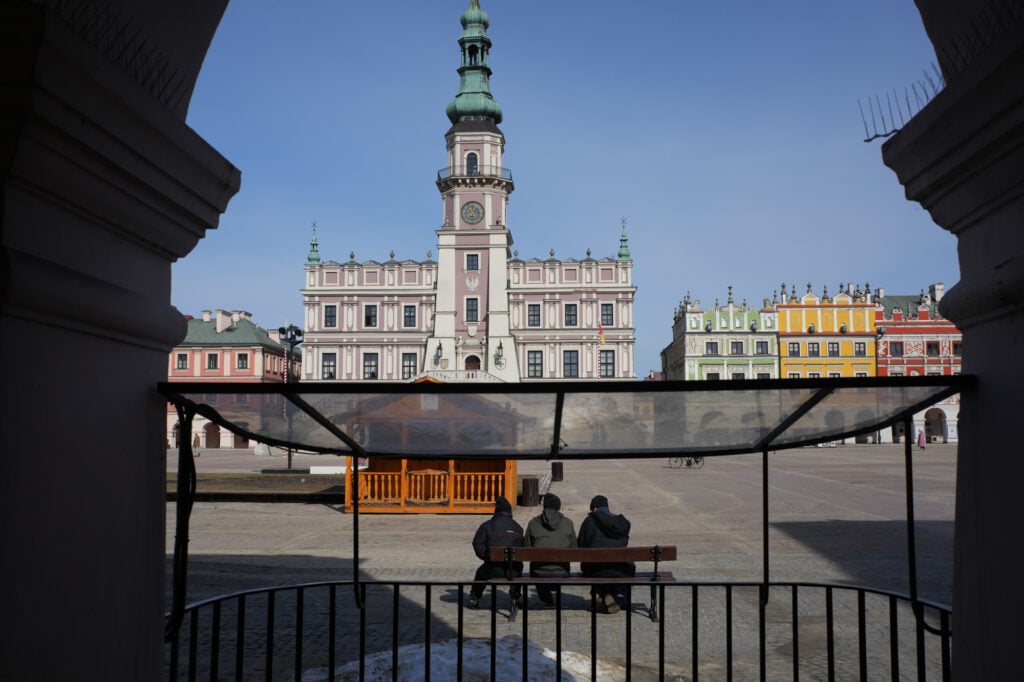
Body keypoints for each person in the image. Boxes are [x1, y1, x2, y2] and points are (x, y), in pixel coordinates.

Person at [578, 494, 635, 614]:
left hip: (594, 570)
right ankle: (612, 596)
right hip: (620, 570)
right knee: (627, 567)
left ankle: (604, 594)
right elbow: (624, 542)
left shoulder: (589, 522)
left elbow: (581, 546)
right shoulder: (622, 522)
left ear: (593, 509)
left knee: (592, 566)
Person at [468, 496, 524, 609]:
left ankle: (475, 598)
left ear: (496, 511)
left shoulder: (486, 526)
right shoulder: (518, 527)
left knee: (480, 573)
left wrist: (486, 557)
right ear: (509, 511)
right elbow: (522, 547)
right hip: (513, 570)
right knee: (519, 566)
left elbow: (477, 544)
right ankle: (516, 596)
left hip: (492, 568)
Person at [523, 493, 577, 606]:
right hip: (562, 571)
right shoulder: (568, 523)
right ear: (558, 506)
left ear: (544, 506)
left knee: (539, 568)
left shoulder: (533, 523)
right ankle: (552, 591)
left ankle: (546, 597)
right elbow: (574, 548)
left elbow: (526, 548)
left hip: (539, 571)